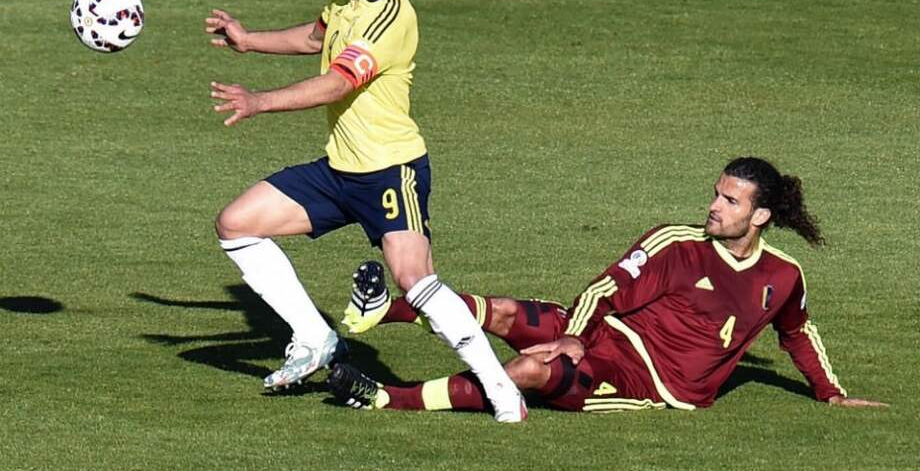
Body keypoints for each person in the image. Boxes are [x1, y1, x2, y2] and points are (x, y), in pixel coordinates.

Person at [206, 0, 525, 422]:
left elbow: (337, 82)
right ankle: (314, 336)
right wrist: (249, 41)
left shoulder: (393, 21)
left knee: (415, 282)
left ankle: (501, 389)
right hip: (339, 170)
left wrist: (259, 100)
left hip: (390, 172)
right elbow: (317, 37)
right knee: (236, 224)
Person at [328, 157, 888, 414]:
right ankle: (380, 312)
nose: (713, 207)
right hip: (601, 332)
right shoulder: (678, 242)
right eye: (715, 194)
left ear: (760, 216)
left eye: (729, 201)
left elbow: (798, 333)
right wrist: (574, 335)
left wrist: (830, 393)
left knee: (526, 371)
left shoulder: (782, 277)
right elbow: (606, 290)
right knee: (499, 311)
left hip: (639, 380)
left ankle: (386, 398)